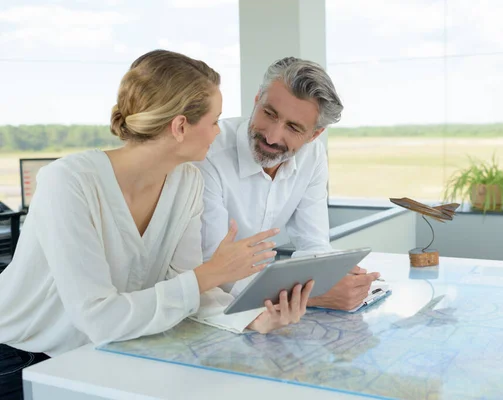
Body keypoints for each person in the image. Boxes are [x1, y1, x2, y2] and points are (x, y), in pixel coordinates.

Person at [0, 50, 313, 400]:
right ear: (180, 126)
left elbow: (190, 289)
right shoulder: (68, 182)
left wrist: (251, 320)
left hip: (95, 352)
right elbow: (100, 318)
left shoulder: (186, 182)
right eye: (214, 121)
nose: (218, 132)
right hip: (20, 355)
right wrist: (211, 273)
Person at [196, 56, 380, 311]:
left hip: (259, 309)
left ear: (314, 135)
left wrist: (337, 280)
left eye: (293, 128)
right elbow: (214, 268)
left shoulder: (313, 156)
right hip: (205, 307)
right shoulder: (208, 153)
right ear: (257, 98)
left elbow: (313, 246)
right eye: (269, 113)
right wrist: (316, 296)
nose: (272, 136)